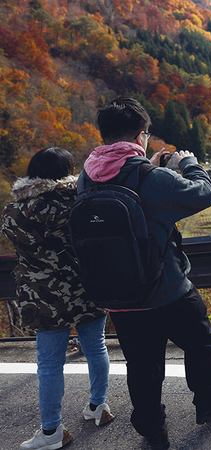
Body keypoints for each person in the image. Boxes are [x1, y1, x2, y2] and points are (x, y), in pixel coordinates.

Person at [77, 97, 211, 450]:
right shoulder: (152, 178)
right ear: (142, 136)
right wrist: (190, 165)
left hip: (118, 295)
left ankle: (153, 431)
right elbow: (203, 195)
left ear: (105, 136)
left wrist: (147, 166)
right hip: (166, 287)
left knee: (142, 364)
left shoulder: (86, 176)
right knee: (200, 341)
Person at [2, 147, 113, 450]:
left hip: (44, 297)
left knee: (49, 365)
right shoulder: (82, 203)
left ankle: (52, 431)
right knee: (96, 346)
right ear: (68, 171)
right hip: (88, 287)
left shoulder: (14, 211)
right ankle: (98, 407)